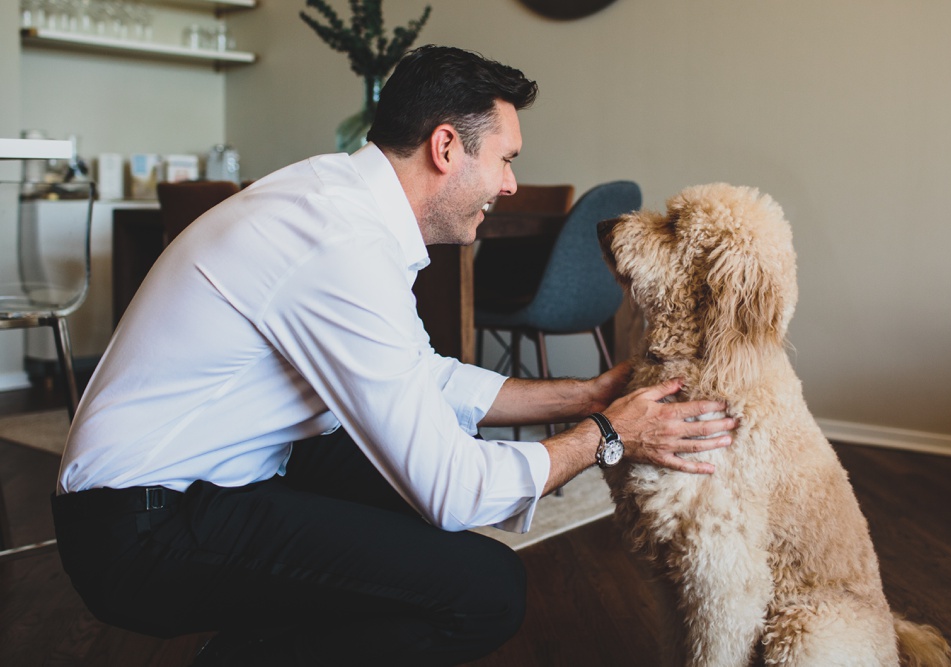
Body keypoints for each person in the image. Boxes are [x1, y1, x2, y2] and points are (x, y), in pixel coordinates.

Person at [52, 45, 736, 666]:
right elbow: (454, 487)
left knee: (402, 491)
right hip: (136, 529)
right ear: (446, 146)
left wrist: (586, 395)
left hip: (215, 473)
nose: (508, 185)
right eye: (506, 159)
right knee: (487, 589)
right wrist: (608, 436)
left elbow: (424, 375)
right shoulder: (338, 241)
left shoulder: (342, 204)